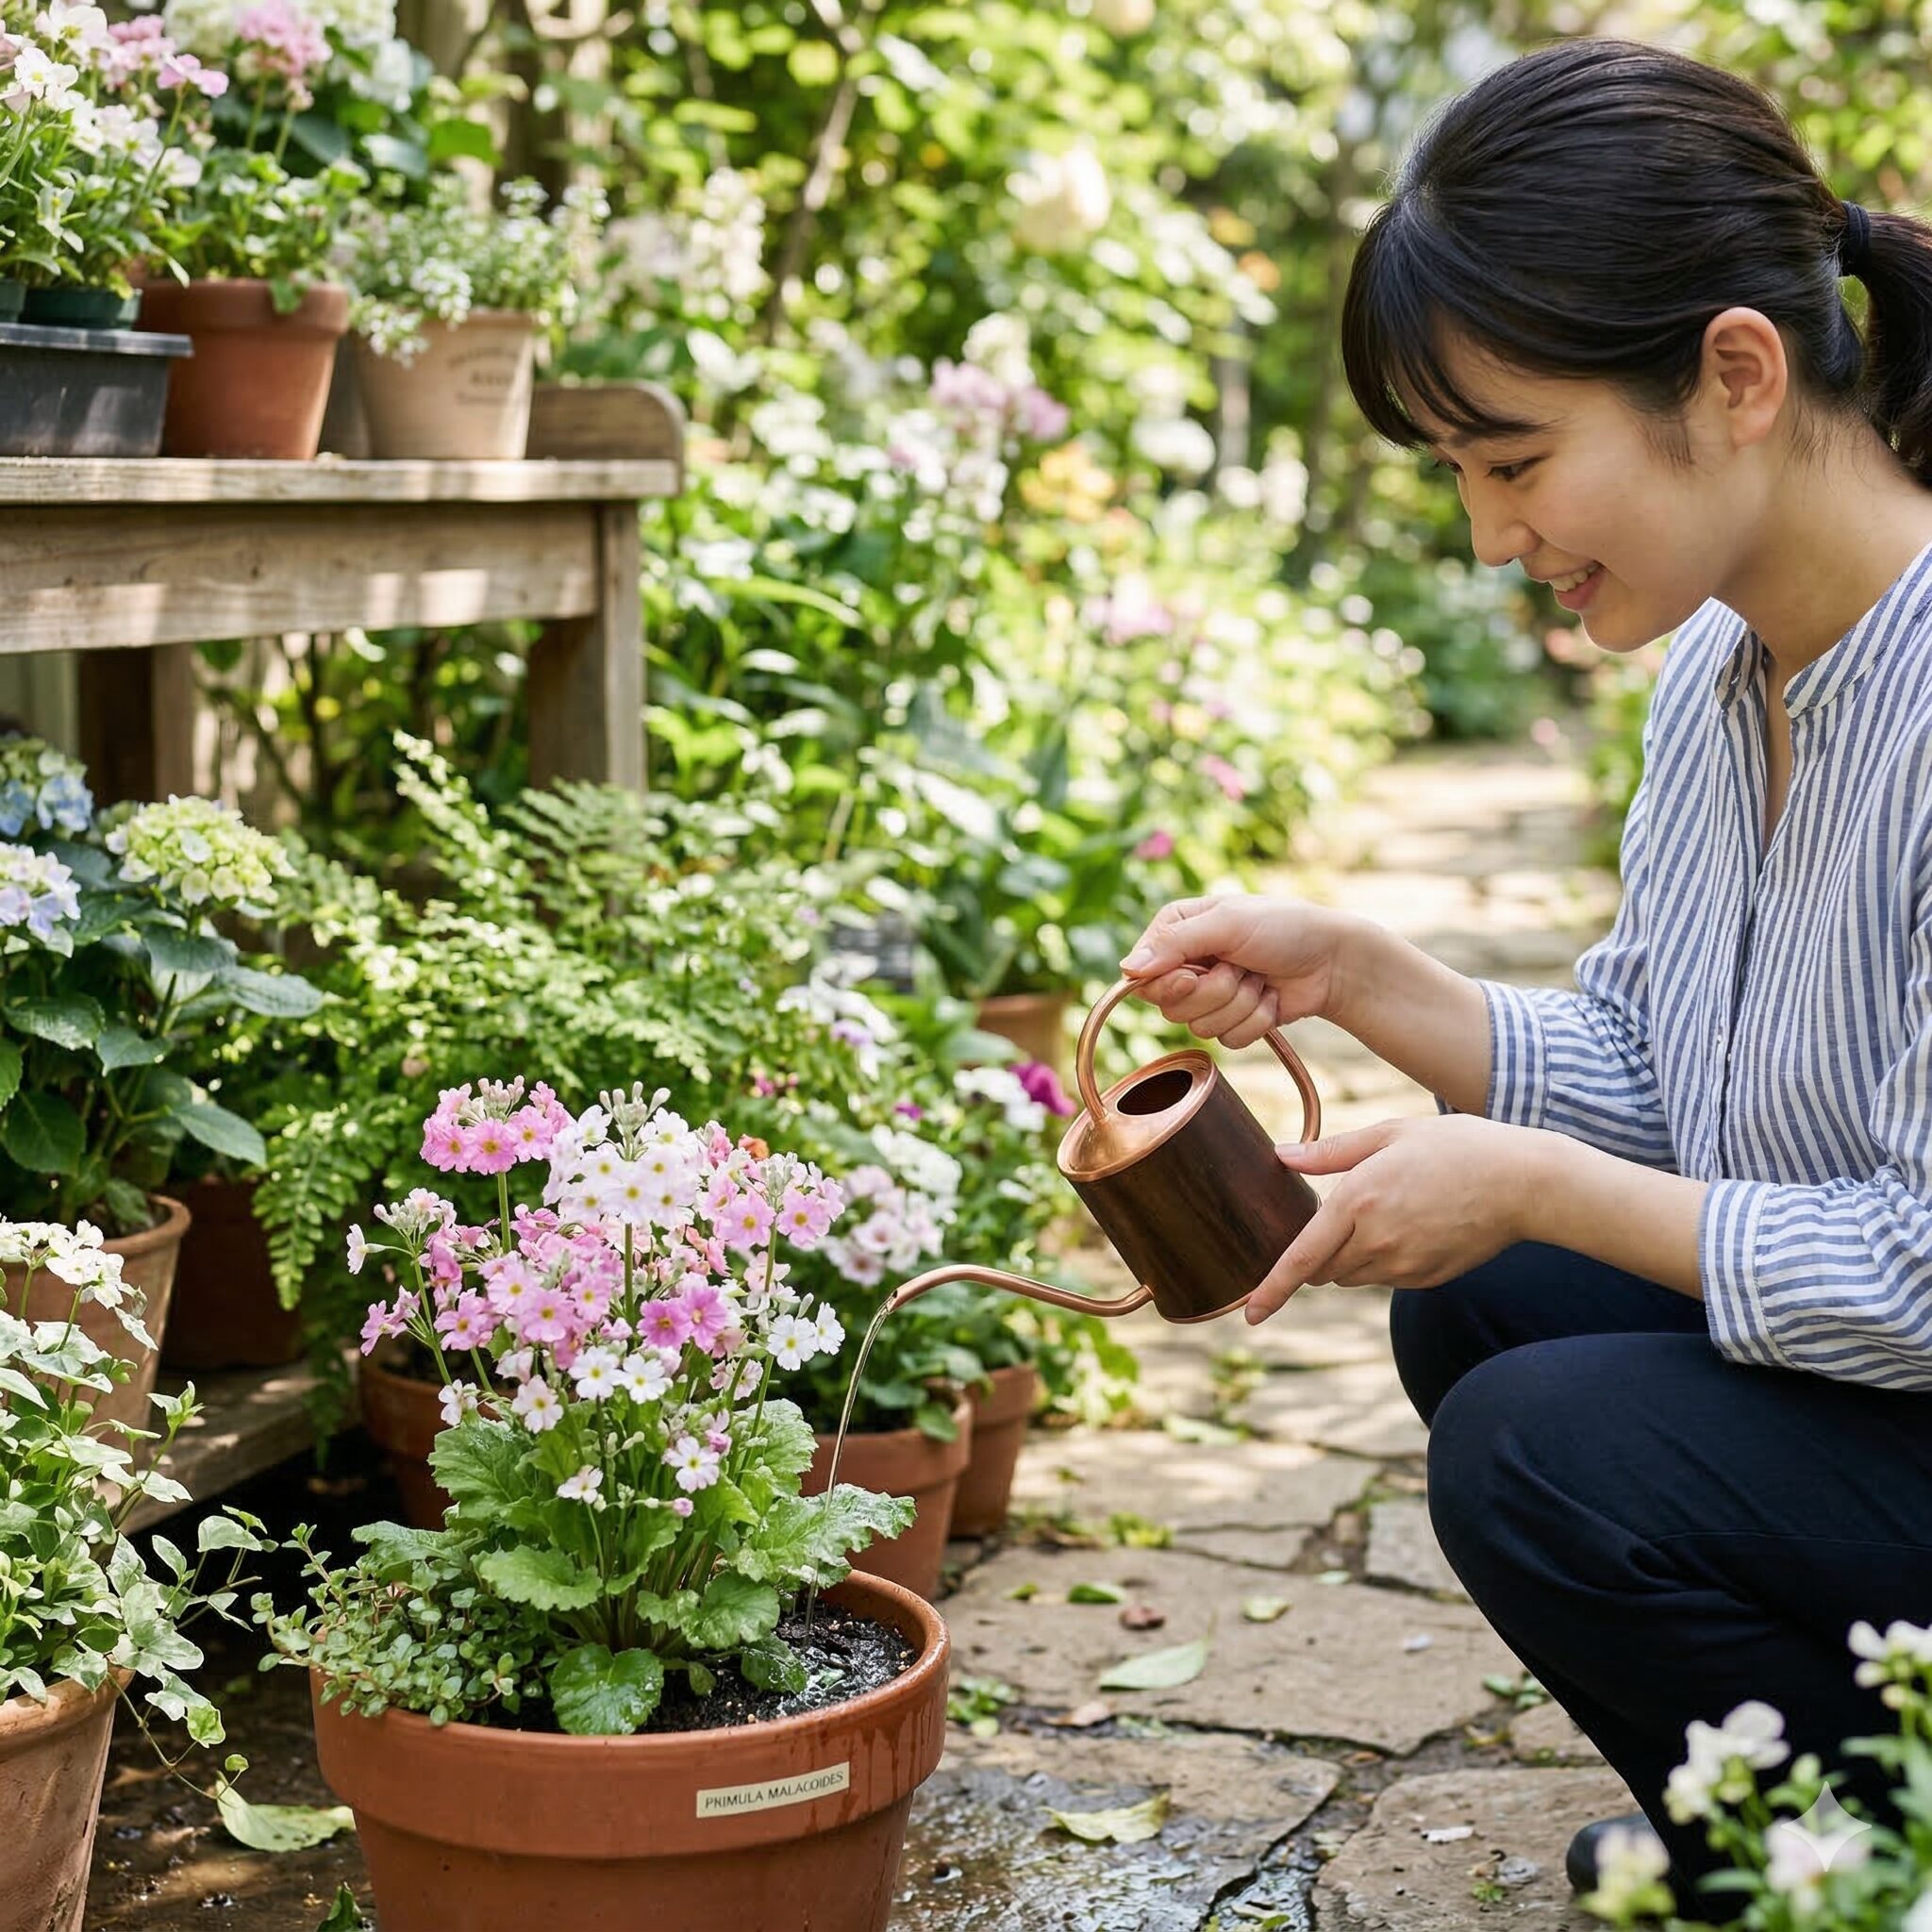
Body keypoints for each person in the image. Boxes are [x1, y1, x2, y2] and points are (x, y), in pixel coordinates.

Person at [1118, 34, 1932, 1907]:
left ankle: (1838, 1872)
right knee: (1484, 1302)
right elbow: (1670, 1078)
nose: (1492, 538)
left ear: (1729, 375)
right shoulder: (1737, 681)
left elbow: (1912, 1269)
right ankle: (1798, 1810)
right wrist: (1360, 972)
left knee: (1539, 1443)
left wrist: (1534, 1179)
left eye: (1511, 457)